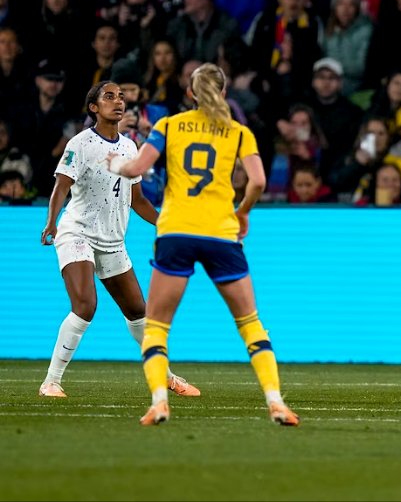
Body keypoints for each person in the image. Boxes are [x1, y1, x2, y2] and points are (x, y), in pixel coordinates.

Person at [105, 63, 298, 427]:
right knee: (251, 324)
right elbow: (256, 180)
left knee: (158, 326)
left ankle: (160, 403)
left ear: (190, 93)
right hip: (220, 232)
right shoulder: (238, 132)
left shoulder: (168, 126)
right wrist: (242, 211)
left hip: (176, 230)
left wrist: (116, 161)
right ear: (224, 93)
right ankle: (275, 402)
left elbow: (135, 170)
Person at [38, 81, 199, 400]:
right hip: (77, 232)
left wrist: (166, 223)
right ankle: (51, 381)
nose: (118, 101)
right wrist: (52, 223)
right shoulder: (80, 144)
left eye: (121, 96)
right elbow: (62, 187)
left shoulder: (129, 148)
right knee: (85, 305)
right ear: (94, 107)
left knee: (139, 311)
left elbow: (137, 199)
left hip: (112, 240)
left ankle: (164, 375)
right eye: (109, 97)